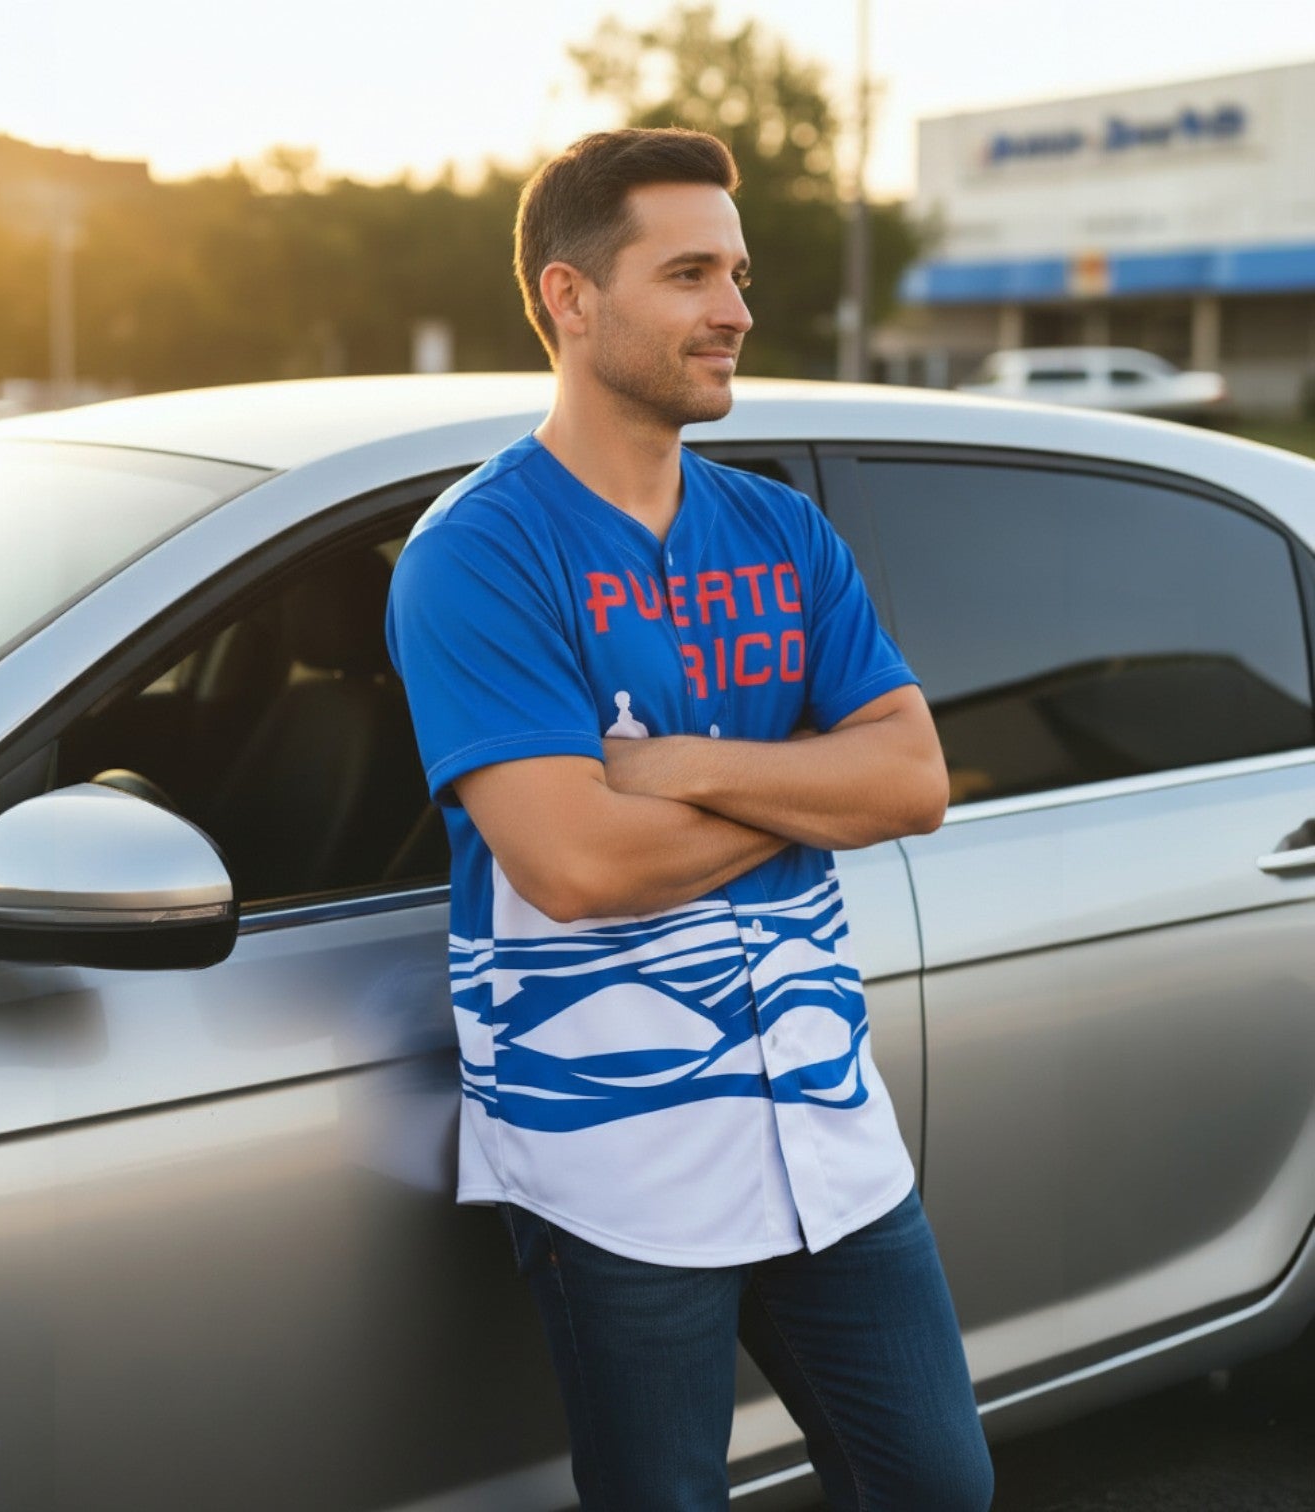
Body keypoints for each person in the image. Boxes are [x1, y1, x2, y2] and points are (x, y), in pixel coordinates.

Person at [385, 127, 993, 1512]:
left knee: (938, 1489)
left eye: (739, 272)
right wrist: (802, 788)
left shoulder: (781, 533)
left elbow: (913, 783)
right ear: (570, 299)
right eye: (691, 273)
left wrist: (678, 767)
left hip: (829, 1127)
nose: (737, 311)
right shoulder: (478, 554)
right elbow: (579, 863)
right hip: (621, 1152)